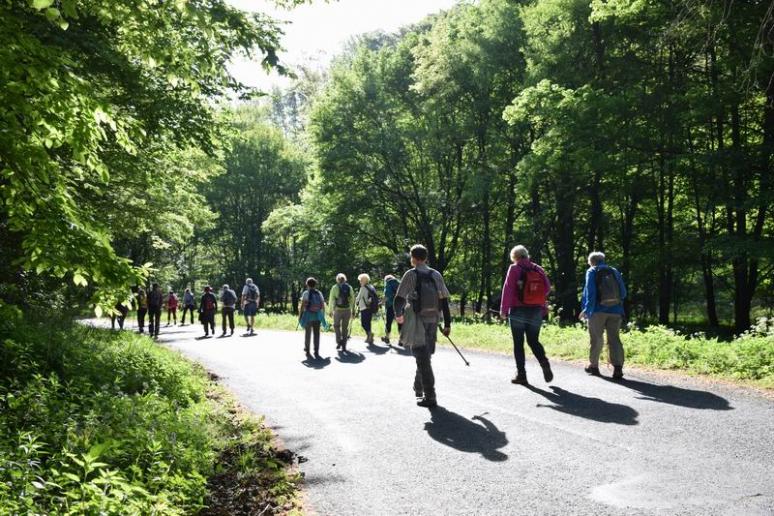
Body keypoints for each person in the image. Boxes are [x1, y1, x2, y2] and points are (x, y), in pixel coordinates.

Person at [394, 244, 452, 408]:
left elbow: (399, 298)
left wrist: (398, 316)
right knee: (425, 357)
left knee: (423, 358)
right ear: (426, 258)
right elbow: (444, 300)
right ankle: (418, 386)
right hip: (433, 320)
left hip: (417, 321)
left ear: (413, 258)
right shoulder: (436, 275)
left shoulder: (411, 274)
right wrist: (447, 324)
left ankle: (430, 396)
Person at [499, 245, 553, 385]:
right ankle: (544, 362)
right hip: (536, 311)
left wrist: (504, 310)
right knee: (533, 340)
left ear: (514, 257)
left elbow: (508, 290)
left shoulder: (514, 268)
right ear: (526, 255)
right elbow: (547, 289)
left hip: (518, 310)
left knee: (518, 343)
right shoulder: (537, 269)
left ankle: (521, 375)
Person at [579, 251, 627, 380]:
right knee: (614, 339)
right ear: (603, 260)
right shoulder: (614, 271)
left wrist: (587, 310)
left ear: (591, 262)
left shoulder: (592, 271)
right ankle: (618, 368)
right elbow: (623, 293)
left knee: (596, 338)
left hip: (597, 311)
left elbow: (591, 292)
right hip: (616, 311)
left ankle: (593, 366)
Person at [299, 277, 327, 358]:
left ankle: (307, 350)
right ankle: (316, 350)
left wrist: (300, 315)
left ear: (307, 284)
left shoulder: (306, 293)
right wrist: (323, 316)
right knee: (317, 334)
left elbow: (302, 306)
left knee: (308, 333)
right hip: (317, 316)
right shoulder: (319, 293)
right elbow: (322, 305)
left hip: (308, 316)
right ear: (315, 285)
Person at [328, 273, 355, 351]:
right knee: (345, 328)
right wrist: (353, 310)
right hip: (347, 310)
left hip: (338, 310)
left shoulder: (334, 287)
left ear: (337, 279)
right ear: (345, 279)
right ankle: (344, 345)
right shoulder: (349, 287)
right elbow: (353, 299)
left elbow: (331, 299)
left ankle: (338, 341)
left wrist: (330, 310)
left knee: (336, 326)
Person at [355, 273, 379, 345]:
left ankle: (370, 334)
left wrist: (355, 302)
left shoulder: (363, 288)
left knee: (363, 323)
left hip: (364, 307)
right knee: (368, 322)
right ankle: (369, 338)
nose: (360, 282)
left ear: (363, 280)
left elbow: (358, 298)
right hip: (370, 307)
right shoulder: (371, 287)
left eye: (360, 280)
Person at [382, 274, 402, 345]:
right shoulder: (399, 283)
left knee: (389, 322)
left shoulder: (388, 284)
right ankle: (401, 339)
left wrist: (381, 302)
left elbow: (387, 295)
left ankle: (387, 337)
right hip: (400, 306)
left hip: (391, 306)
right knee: (400, 322)